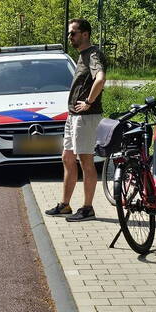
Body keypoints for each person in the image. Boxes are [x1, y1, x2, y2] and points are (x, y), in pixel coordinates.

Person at [46, 18, 107, 222]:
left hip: (86, 116)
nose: (69, 37)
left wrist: (89, 101)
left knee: (86, 161)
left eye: (73, 33)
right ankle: (65, 205)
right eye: (69, 33)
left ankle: (88, 208)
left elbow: (100, 79)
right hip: (74, 115)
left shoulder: (94, 54)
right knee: (67, 158)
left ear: (85, 34)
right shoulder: (82, 56)